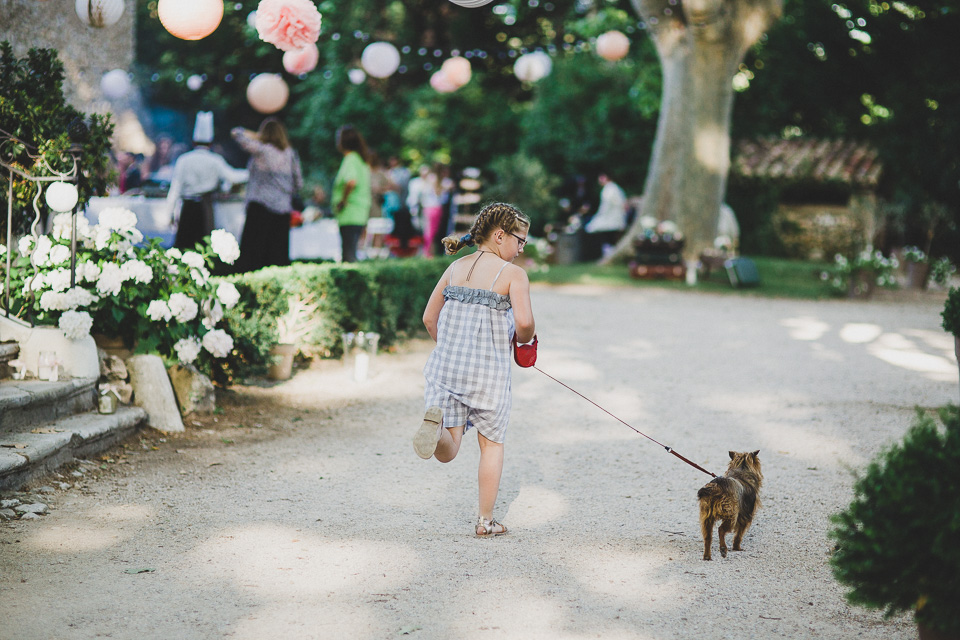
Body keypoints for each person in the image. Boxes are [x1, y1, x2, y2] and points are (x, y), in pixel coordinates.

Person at [413, 202, 536, 537]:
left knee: (449, 449)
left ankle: (435, 430)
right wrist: (526, 338)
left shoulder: (455, 268)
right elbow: (524, 324)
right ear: (499, 236)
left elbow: (428, 318)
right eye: (519, 240)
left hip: (446, 370)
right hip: (488, 377)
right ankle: (485, 521)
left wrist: (449, 348)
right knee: (491, 445)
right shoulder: (513, 275)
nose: (521, 248)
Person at [166, 112, 248, 250]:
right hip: (205, 206)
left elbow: (175, 188)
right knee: (203, 244)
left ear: (193, 142)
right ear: (211, 143)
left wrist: (170, 213)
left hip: (187, 205)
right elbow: (232, 177)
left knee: (184, 245)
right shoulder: (215, 160)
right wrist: (251, 173)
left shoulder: (183, 160)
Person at [231, 117, 303, 272]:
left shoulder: (262, 150)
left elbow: (237, 133)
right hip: (283, 209)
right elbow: (299, 183)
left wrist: (256, 135)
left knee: (253, 255)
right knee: (277, 256)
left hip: (260, 207)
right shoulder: (290, 154)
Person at [332, 125, 371, 263]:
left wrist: (342, 200)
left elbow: (351, 181)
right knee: (352, 252)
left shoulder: (351, 159)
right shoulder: (361, 160)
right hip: (359, 212)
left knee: (348, 256)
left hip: (350, 212)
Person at [583, 173, 627, 260]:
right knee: (609, 237)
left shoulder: (609, 189)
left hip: (611, 219)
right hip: (614, 218)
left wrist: (599, 215)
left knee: (607, 236)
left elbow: (606, 206)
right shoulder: (614, 188)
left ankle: (608, 255)